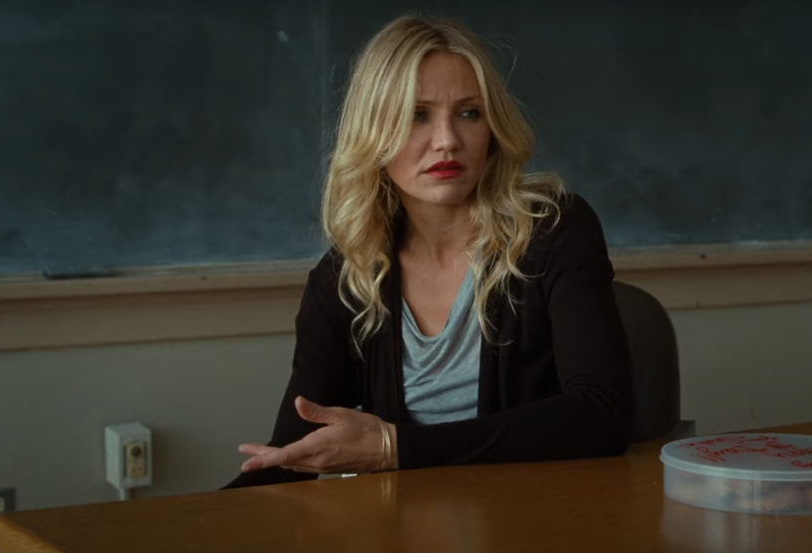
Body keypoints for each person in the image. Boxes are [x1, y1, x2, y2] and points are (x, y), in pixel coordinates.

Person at [224, 14, 633, 488]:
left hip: (543, 518)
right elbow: (288, 462)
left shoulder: (554, 229)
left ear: (492, 129)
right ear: (374, 133)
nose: (447, 141)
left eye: (468, 113)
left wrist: (395, 448)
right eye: (417, 115)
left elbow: (603, 414)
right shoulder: (345, 279)